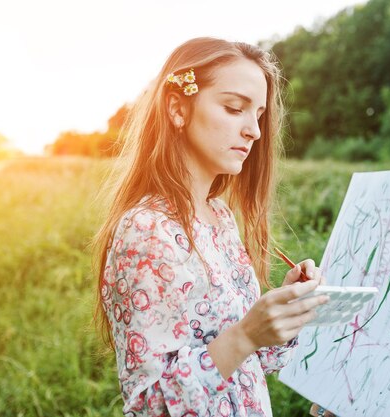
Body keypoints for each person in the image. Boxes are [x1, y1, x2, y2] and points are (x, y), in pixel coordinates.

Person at [92, 37, 333, 417]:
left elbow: (249, 363)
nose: (253, 130)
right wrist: (245, 334)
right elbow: (149, 406)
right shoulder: (146, 230)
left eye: (258, 115)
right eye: (234, 108)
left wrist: (282, 312)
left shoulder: (219, 218)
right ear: (177, 109)